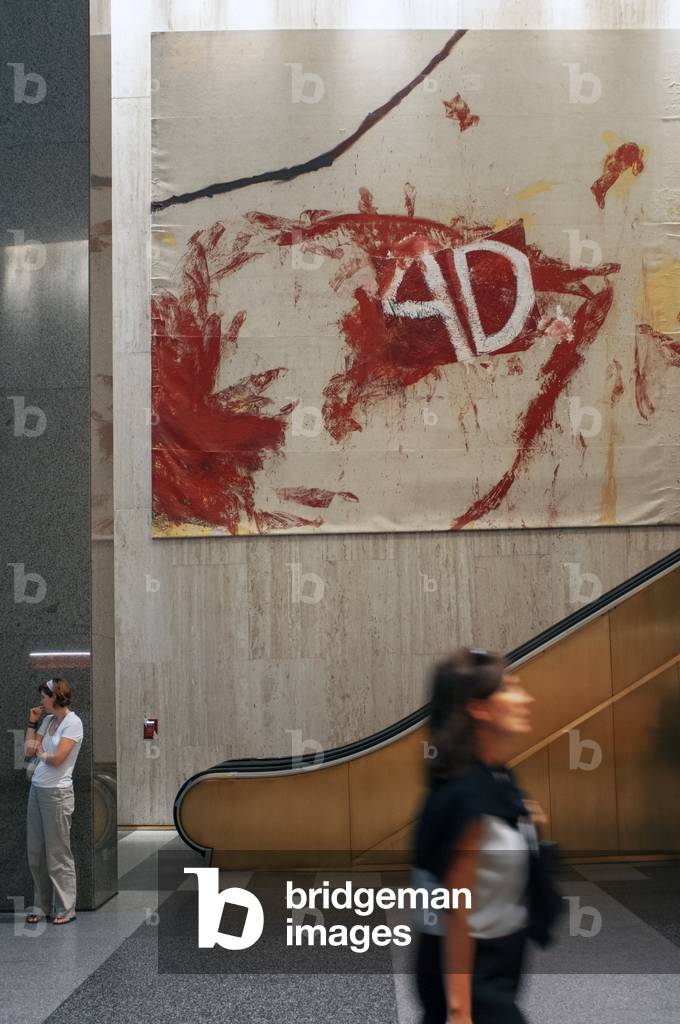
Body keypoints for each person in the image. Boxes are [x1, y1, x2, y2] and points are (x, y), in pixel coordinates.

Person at [413, 648, 545, 1024]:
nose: (525, 698)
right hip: (472, 980)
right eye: (510, 689)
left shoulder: (496, 777)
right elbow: (456, 913)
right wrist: (460, 1012)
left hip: (502, 967)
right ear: (479, 708)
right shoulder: (465, 795)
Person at [24, 678, 84, 925]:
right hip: (37, 790)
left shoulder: (73, 723)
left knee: (58, 853)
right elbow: (28, 751)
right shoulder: (47, 720)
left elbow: (58, 759)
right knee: (36, 851)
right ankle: (42, 906)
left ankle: (66, 908)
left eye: (44, 697)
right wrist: (32, 722)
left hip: (57, 794)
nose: (41, 702)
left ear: (55, 697)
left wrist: (41, 752)